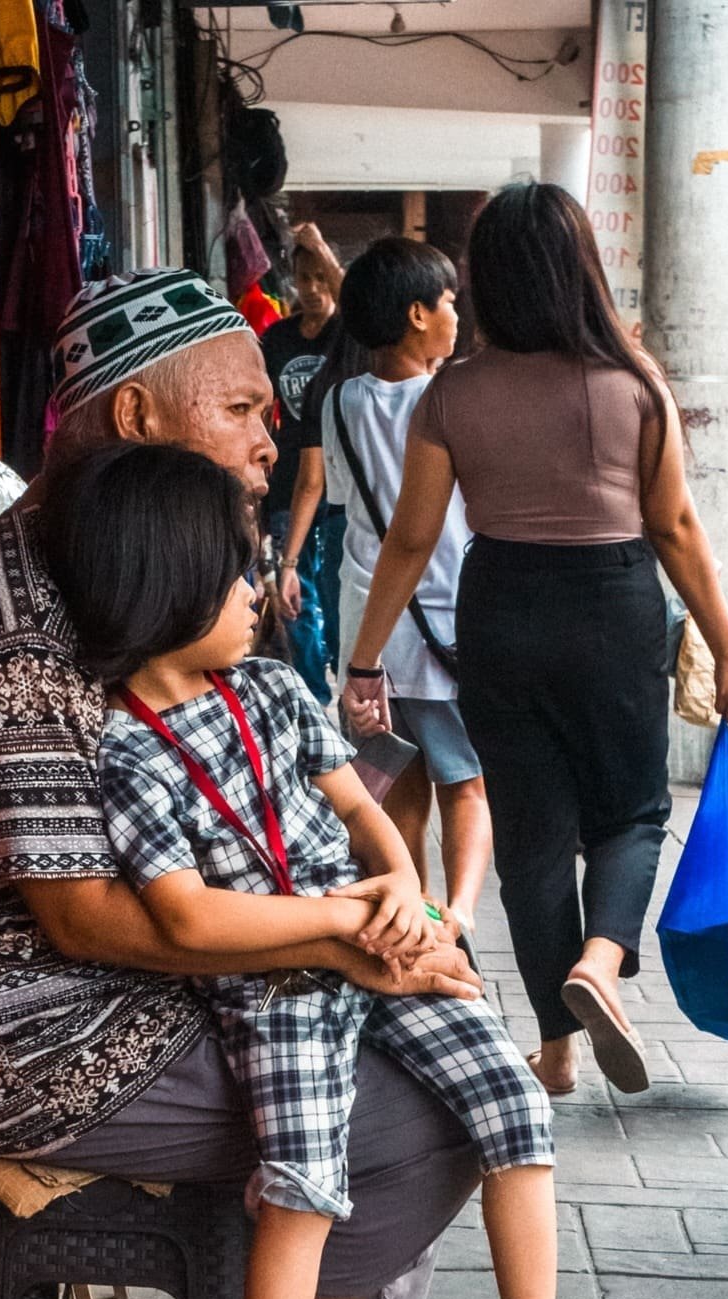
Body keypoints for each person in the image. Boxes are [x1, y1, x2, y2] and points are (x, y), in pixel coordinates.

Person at [0, 267, 504, 1299]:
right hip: (29, 1036)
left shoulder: (144, 566)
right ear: (141, 419)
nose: (276, 436)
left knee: (440, 1042)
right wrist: (340, 937)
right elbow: (90, 917)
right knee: (427, 1118)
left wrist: (374, 918)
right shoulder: (15, 619)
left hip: (134, 984)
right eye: (244, 410)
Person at [42, 441, 612, 1299]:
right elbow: (190, 922)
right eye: (239, 576)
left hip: (375, 945)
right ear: (165, 590)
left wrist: (406, 896)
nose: (263, 593)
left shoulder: (274, 691)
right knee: (303, 1180)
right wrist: (348, 925)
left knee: (513, 1104)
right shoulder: (125, 755)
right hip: (279, 988)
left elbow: (369, 814)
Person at [344, 183, 728, 1098]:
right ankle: (601, 964)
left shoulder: (453, 393)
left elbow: (410, 539)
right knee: (632, 814)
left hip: (500, 609)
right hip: (611, 608)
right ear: (581, 268)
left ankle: (557, 1047)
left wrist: (365, 660)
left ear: (488, 278)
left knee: (533, 842)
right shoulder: (634, 383)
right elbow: (678, 529)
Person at [327, 236, 492, 936]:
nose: (458, 315)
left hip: (371, 632)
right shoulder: (453, 396)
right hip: (449, 617)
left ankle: (415, 913)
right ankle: (457, 915)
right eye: (450, 302)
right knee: (468, 784)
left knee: (399, 786)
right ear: (419, 315)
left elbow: (348, 502)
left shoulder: (339, 402)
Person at [262, 223, 344, 701]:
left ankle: (340, 678)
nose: (311, 289)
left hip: (340, 493)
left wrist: (321, 249)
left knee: (334, 602)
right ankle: (316, 698)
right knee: (297, 605)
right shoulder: (277, 338)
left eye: (320, 277)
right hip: (291, 483)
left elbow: (356, 303)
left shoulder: (346, 334)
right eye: (303, 277)